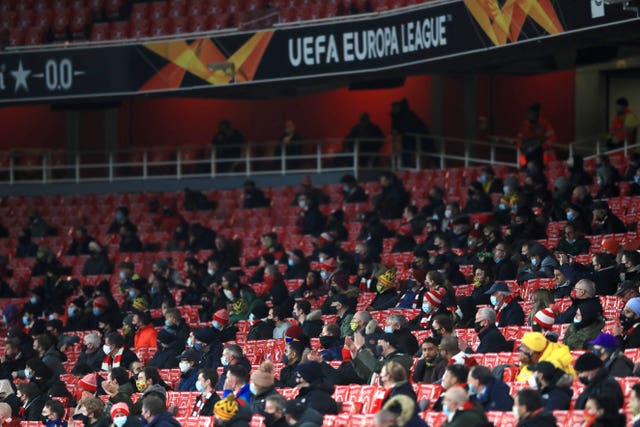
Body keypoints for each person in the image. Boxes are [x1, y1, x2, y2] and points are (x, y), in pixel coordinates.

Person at [516, 102, 556, 168]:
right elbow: (519, 139)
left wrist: (542, 147)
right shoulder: (525, 125)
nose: (530, 115)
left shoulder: (544, 124)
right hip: (527, 156)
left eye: (532, 113)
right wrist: (522, 147)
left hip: (542, 157)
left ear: (537, 114)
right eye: (529, 113)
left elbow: (552, 138)